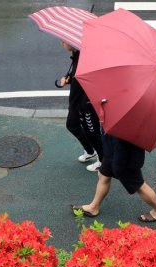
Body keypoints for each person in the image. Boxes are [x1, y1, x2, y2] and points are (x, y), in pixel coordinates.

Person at [71, 133, 156, 222]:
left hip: (124, 157)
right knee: (104, 175)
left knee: (138, 184)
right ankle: (94, 207)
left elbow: (123, 141)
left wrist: (118, 165)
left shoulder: (126, 123)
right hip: (112, 151)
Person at [58, 41, 103, 172]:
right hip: (76, 101)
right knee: (72, 125)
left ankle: (103, 161)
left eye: (64, 41)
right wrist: (69, 79)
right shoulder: (78, 53)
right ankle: (90, 151)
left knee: (93, 133)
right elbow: (77, 77)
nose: (62, 43)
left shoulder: (88, 59)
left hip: (87, 104)